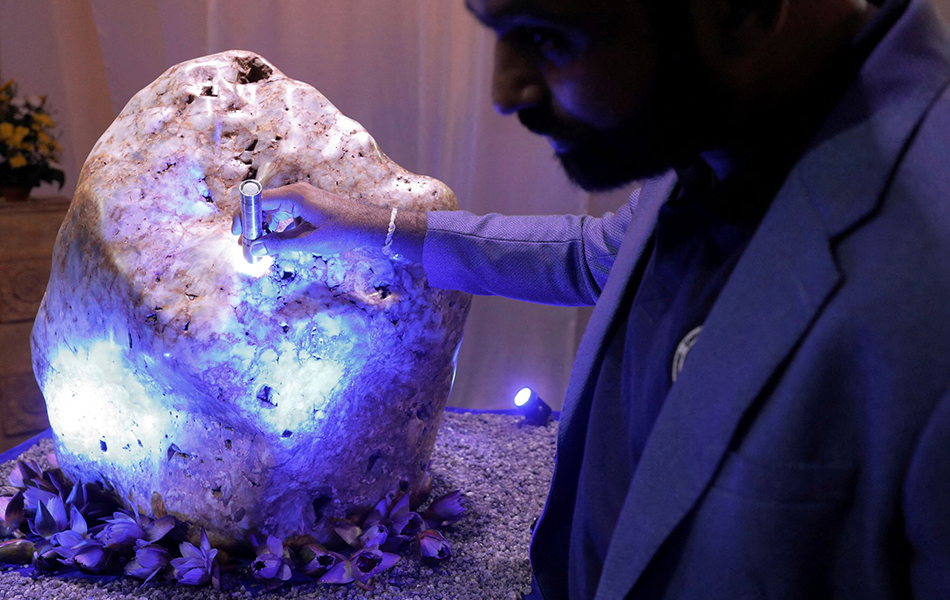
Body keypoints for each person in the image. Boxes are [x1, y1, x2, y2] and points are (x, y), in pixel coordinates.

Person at [234, 0, 950, 597]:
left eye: (548, 37)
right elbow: (594, 255)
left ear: (743, 8)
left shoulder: (925, 271)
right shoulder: (728, 127)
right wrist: (367, 225)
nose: (505, 90)